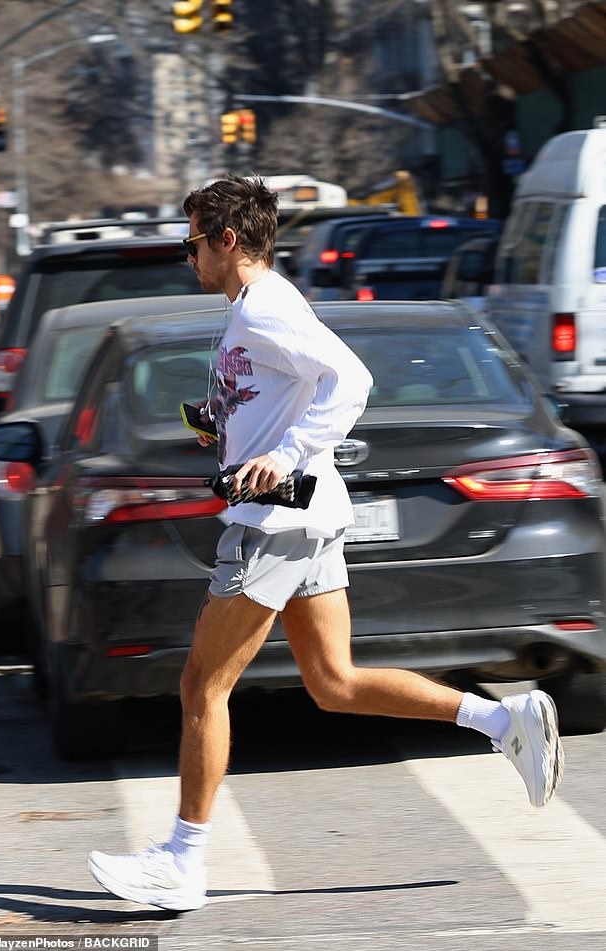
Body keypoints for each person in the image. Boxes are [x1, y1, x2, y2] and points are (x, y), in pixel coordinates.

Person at [88, 175, 564, 912]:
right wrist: (225, 424)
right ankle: (504, 719)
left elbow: (350, 379)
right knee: (333, 681)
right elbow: (286, 391)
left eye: (193, 242)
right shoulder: (252, 308)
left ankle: (182, 860)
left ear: (227, 240)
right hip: (304, 518)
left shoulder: (267, 307)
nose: (188, 257)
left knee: (201, 686)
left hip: (272, 524)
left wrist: (284, 454)